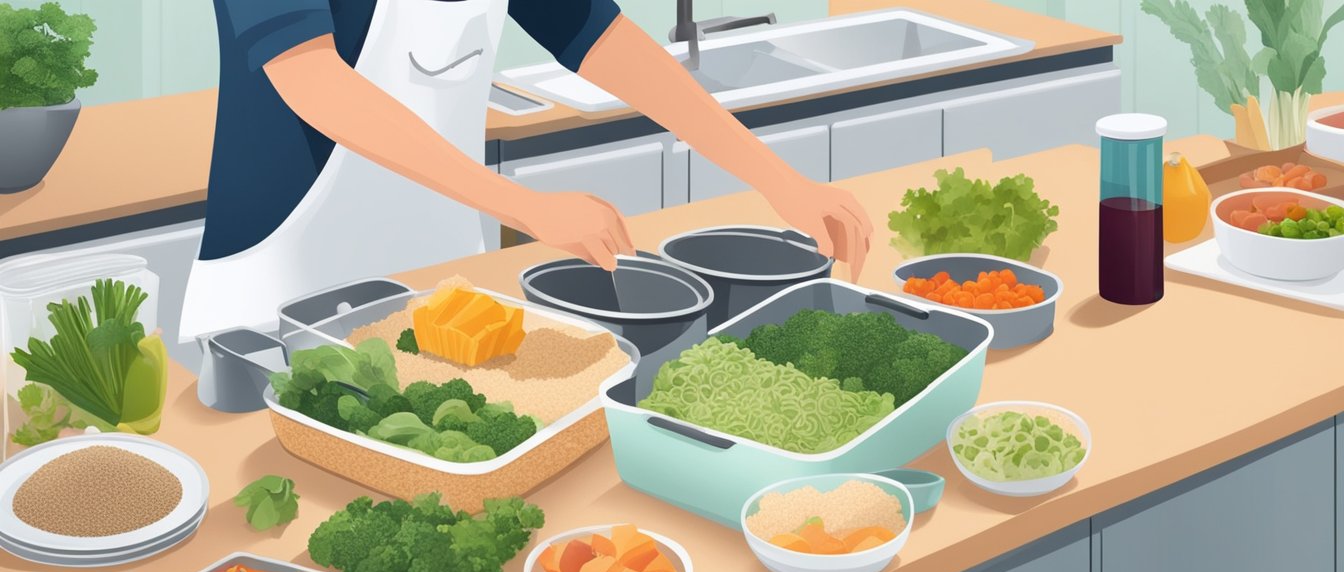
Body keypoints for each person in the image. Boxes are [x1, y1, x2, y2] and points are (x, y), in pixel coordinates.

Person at [184, 0, 871, 339]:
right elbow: (310, 80)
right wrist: (526, 206)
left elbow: (600, 38)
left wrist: (779, 179)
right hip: (285, 292)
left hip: (442, 286)